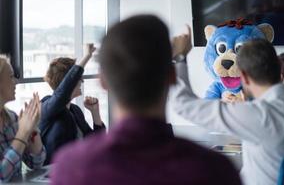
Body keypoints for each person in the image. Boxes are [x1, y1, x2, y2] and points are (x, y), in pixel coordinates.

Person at [50, 15, 241, 185]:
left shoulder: (71, 169)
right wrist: (180, 57)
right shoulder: (214, 170)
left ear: (103, 81)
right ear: (172, 77)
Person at [170, 29, 284, 185]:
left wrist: (179, 56)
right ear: (280, 68)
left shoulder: (257, 116)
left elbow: (183, 104)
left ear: (243, 77)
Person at [39, 44, 105, 165]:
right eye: (79, 78)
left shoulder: (75, 110)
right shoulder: (45, 106)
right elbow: (62, 93)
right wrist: (87, 56)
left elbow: (97, 143)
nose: (82, 81)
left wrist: (95, 112)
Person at [0, 55, 46, 182]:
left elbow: (36, 163)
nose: (16, 81)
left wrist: (32, 129)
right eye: (10, 77)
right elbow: (2, 176)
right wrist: (22, 134)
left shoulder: (12, 118)